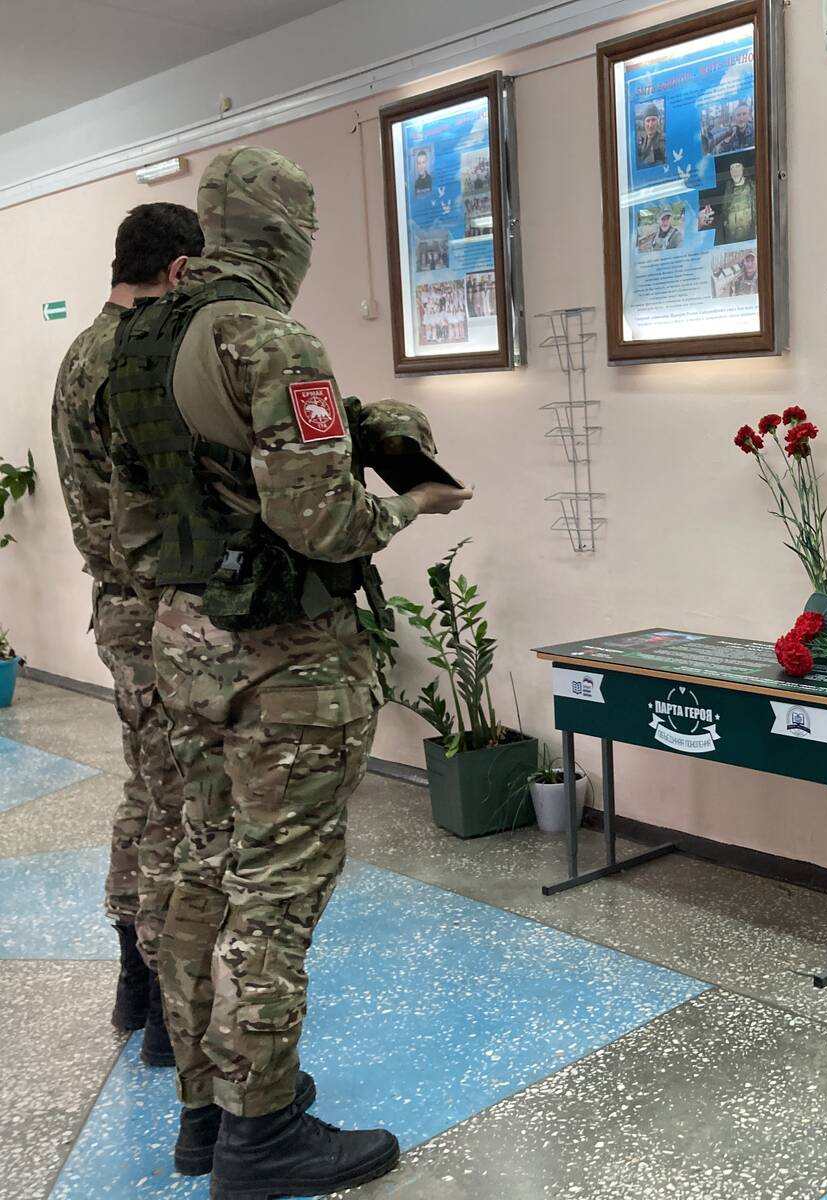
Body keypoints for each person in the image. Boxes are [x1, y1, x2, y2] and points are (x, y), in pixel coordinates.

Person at [102, 146, 472, 1197]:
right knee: (273, 893)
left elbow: (143, 516)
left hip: (184, 645)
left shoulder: (139, 338)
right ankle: (262, 1135)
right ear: (289, 237)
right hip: (285, 662)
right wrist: (411, 500)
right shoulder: (271, 337)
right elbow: (321, 523)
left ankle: (205, 1113)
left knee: (198, 870)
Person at [50, 203, 203, 1061]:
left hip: (115, 606)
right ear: (179, 270)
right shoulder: (146, 358)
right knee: (176, 803)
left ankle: (135, 987)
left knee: (146, 789)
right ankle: (165, 1008)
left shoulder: (80, 352)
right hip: (160, 612)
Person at [699, 159, 757, 245]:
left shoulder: (754, 186)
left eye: (737, 166)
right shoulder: (725, 188)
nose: (735, 171)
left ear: (743, 168)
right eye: (732, 168)